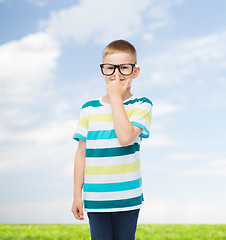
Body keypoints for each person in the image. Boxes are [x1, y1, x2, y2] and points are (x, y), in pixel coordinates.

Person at [71, 39, 153, 240]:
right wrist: (76, 196)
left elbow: (125, 138)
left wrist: (116, 98)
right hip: (96, 198)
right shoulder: (89, 108)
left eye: (124, 68)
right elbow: (81, 153)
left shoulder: (142, 105)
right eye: (110, 68)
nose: (116, 74)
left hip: (128, 198)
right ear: (102, 71)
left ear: (135, 72)